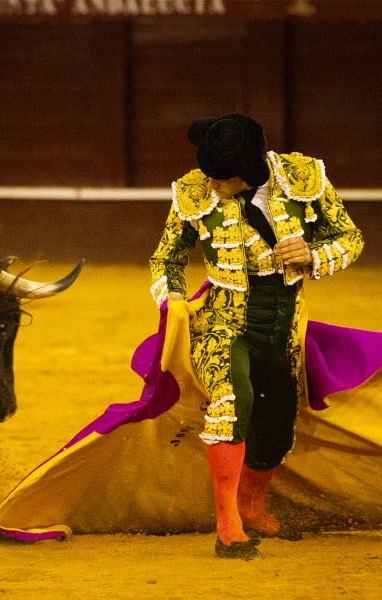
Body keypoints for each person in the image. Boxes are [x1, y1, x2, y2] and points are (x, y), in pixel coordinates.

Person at [149, 113, 364, 559]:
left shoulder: (303, 178)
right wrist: (171, 301)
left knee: (279, 419)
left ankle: (251, 503)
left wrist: (314, 253)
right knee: (232, 402)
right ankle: (227, 521)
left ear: (245, 173)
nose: (210, 185)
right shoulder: (192, 190)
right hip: (223, 322)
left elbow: (351, 238)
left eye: (220, 178)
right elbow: (166, 259)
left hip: (285, 323)